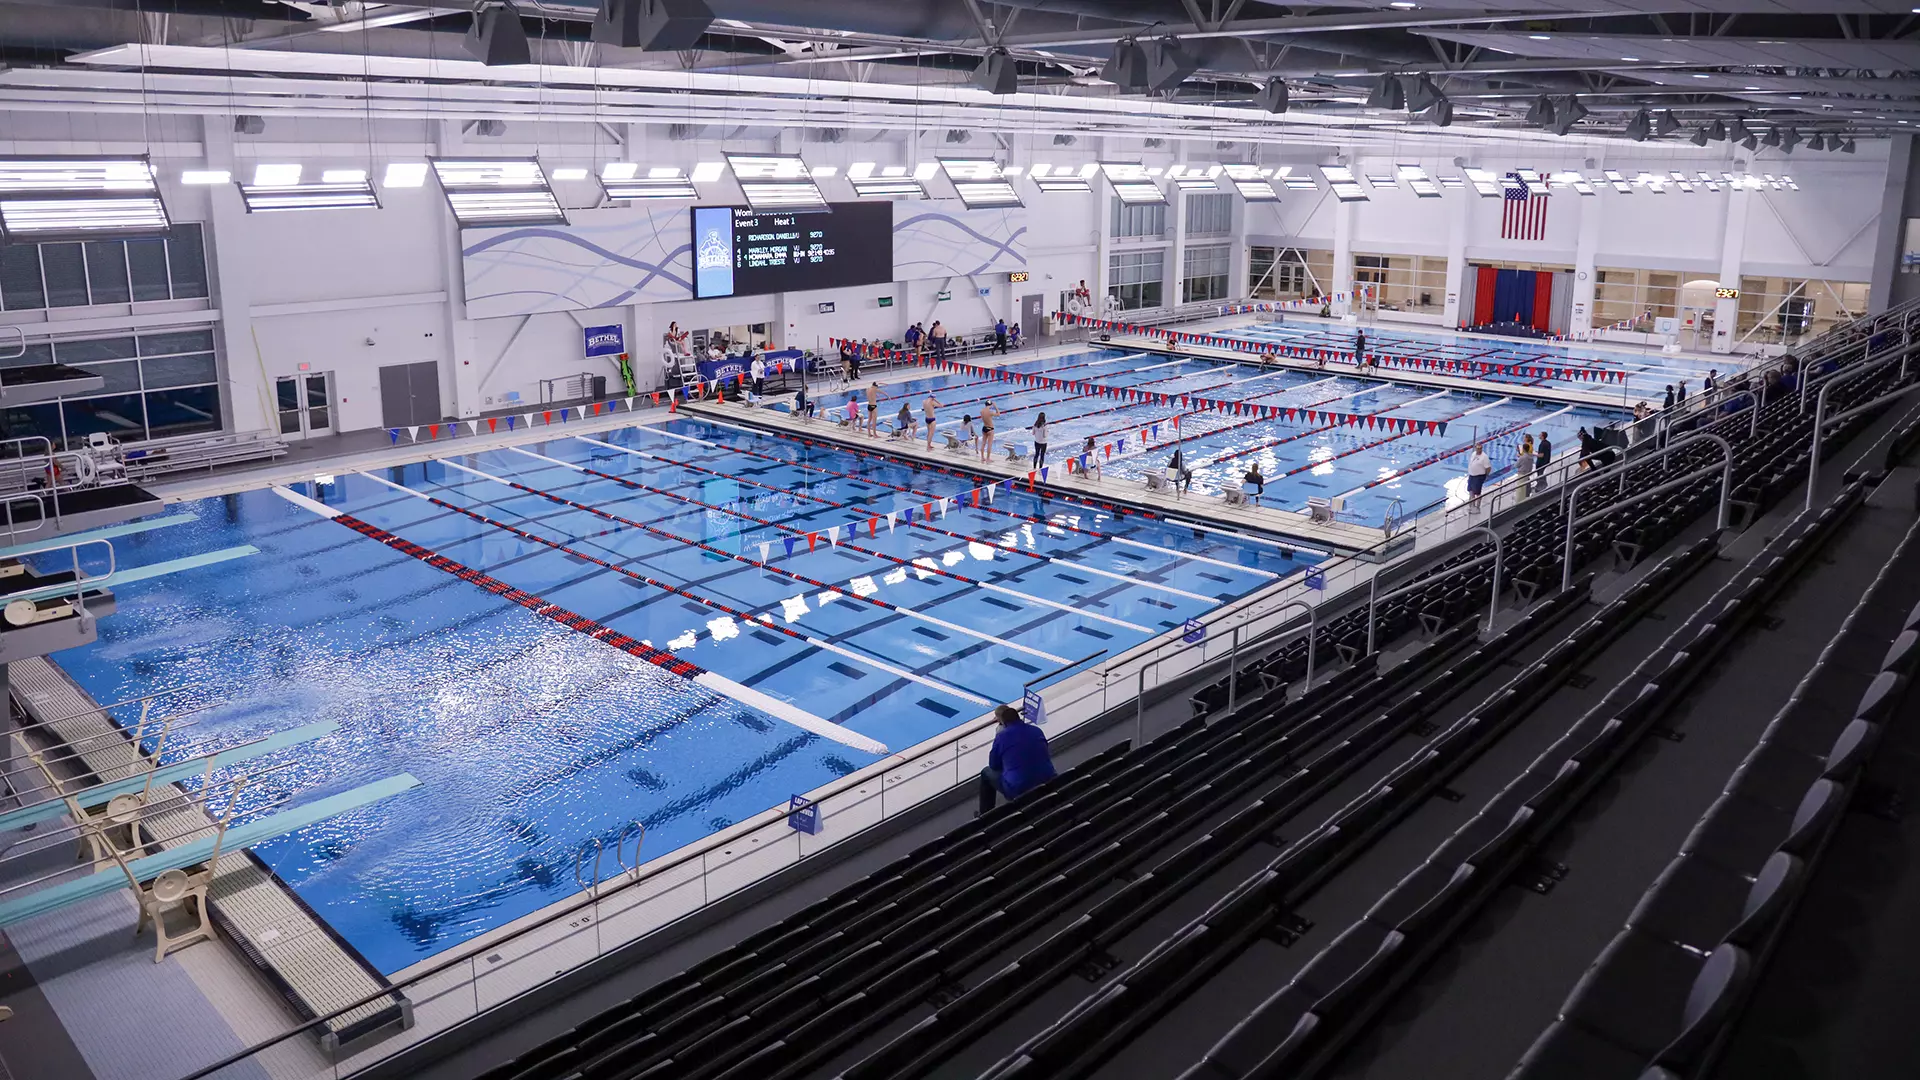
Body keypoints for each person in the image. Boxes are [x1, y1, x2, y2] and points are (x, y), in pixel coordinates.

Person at [979, 703, 1055, 816]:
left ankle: (985, 816)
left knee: (986, 772)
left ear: (1003, 723)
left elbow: (993, 765)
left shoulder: (1002, 737)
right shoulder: (1036, 730)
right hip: (1049, 779)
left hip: (1018, 788)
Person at [1466, 443, 1492, 509]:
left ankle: (1478, 506)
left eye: (1480, 448)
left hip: (1479, 476)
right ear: (1475, 448)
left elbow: (1488, 468)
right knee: (1470, 490)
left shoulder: (1484, 457)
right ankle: (1472, 505)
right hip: (1471, 475)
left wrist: (1486, 475)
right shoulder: (1473, 454)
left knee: (1477, 492)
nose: (1479, 450)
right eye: (1478, 448)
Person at [1516, 434, 1536, 498]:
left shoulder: (1528, 446)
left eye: (1524, 438)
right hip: (1528, 466)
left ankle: (1525, 494)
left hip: (1524, 468)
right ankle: (1527, 492)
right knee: (1527, 479)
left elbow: (1525, 456)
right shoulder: (1529, 445)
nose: (1523, 439)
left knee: (1523, 482)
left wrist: (1519, 455)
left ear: (1527, 438)